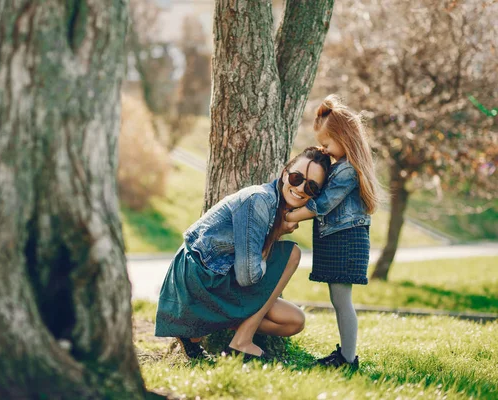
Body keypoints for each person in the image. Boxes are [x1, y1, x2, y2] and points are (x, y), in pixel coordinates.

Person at [155, 147, 331, 361]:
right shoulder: (260, 201)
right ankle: (240, 341)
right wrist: (275, 238)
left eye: (311, 187)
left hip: (219, 278)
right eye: (296, 178)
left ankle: (214, 325)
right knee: (292, 254)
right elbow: (248, 276)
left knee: (294, 321)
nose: (301, 188)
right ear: (285, 174)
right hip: (201, 279)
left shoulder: (276, 207)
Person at [286, 95, 382, 370]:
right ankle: (345, 354)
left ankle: (348, 359)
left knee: (342, 300)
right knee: (338, 299)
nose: (324, 149)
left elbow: (322, 205)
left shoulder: (349, 170)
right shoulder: (339, 166)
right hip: (336, 239)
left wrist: (289, 218)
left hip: (346, 241)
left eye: (327, 144)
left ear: (344, 137)